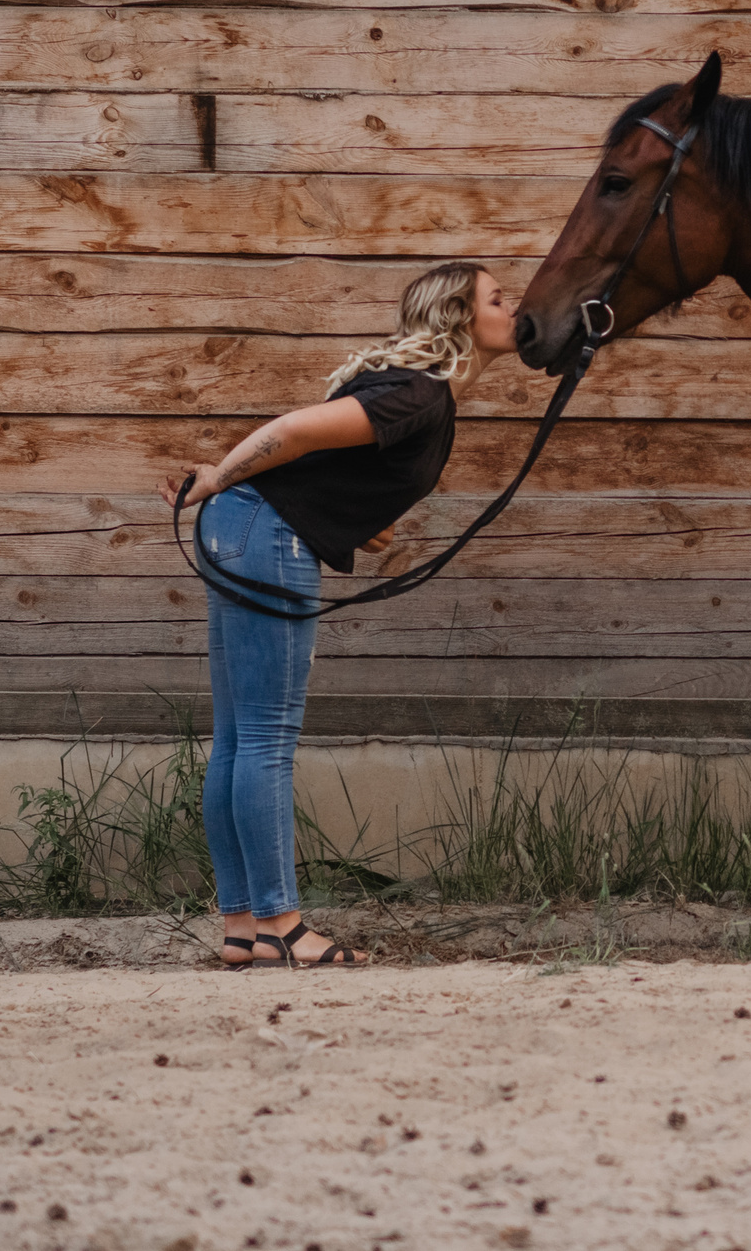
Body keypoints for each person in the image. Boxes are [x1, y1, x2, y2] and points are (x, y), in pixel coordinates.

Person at [159, 261, 517, 969]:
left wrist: (366, 520)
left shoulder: (413, 393)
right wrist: (217, 477)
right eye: (498, 297)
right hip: (262, 527)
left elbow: (339, 483)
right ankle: (285, 927)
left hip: (246, 528)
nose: (513, 306)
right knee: (264, 738)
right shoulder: (420, 392)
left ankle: (243, 928)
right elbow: (293, 431)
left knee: (237, 737)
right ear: (459, 317)